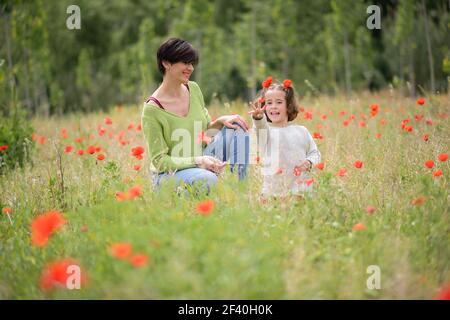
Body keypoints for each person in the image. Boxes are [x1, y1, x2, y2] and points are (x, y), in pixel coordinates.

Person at [141, 38, 250, 193]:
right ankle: (178, 196)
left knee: (237, 126)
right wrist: (198, 161)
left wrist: (220, 121)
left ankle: (241, 192)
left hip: (202, 159)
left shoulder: (193, 88)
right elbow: (159, 161)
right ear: (166, 63)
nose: (190, 68)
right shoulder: (152, 110)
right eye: (185, 62)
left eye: (191, 63)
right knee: (208, 179)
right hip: (170, 174)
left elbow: (205, 132)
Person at [248, 77, 321, 199]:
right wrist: (259, 118)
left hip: (299, 191)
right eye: (269, 103)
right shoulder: (267, 132)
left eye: (279, 102)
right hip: (272, 193)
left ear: (289, 106)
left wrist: (310, 162)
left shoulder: (301, 131)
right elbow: (260, 128)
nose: (273, 106)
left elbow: (315, 153)